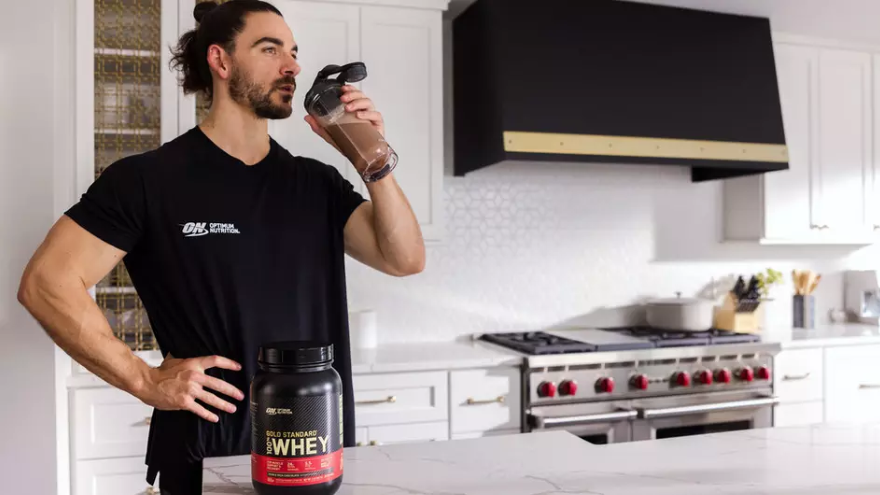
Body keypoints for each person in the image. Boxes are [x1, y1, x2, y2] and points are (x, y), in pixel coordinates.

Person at [16, 0, 425, 493]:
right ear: (221, 61)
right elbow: (46, 283)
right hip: (209, 461)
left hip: (318, 455)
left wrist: (371, 154)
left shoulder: (317, 185)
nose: (293, 65)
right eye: (270, 49)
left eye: (294, 51)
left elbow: (404, 259)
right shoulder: (146, 181)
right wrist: (144, 380)